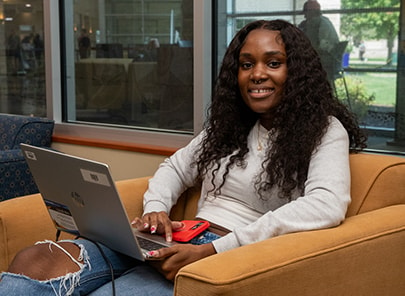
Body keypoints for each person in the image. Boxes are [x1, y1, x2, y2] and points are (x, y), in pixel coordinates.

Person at [0, 19, 366, 295]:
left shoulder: (324, 129)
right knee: (34, 260)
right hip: (175, 238)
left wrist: (214, 250)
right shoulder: (231, 125)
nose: (257, 74)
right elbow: (174, 167)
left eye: (273, 63)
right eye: (246, 63)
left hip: (224, 255)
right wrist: (156, 208)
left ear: (296, 72)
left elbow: (326, 204)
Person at [298, 0, 340, 81]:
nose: (305, 16)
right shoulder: (325, 21)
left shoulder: (314, 23)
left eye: (306, 13)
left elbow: (310, 46)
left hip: (322, 62)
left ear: (312, 12)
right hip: (332, 62)